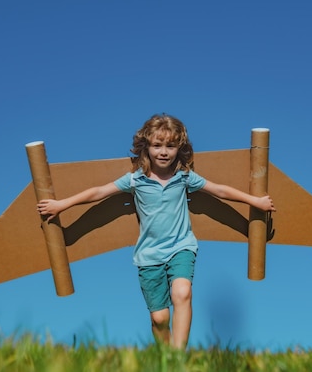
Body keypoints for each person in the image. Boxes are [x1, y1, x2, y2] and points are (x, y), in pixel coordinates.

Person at [37, 113, 275, 349]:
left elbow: (220, 191)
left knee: (182, 293)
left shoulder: (184, 177)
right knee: (159, 319)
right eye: (157, 145)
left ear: (179, 148)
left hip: (181, 247)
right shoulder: (135, 180)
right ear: (146, 147)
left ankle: (178, 357)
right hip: (149, 256)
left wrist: (255, 201)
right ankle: (165, 356)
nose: (164, 152)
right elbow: (98, 193)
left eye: (170, 146)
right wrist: (61, 205)